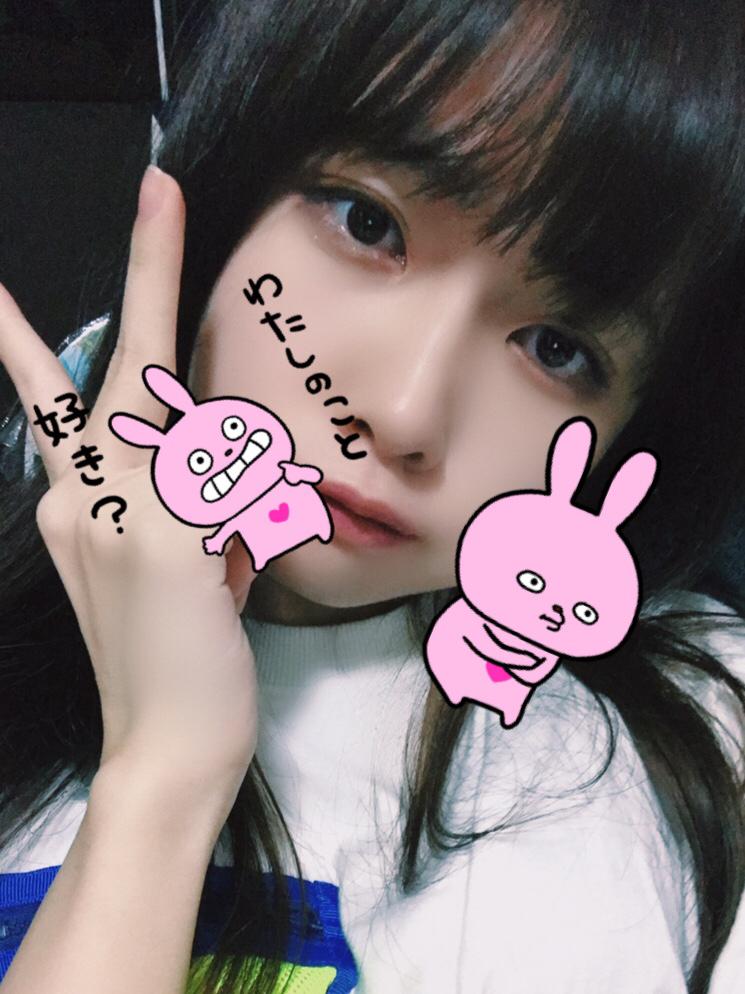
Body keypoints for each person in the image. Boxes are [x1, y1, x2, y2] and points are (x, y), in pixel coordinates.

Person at [1, 1, 744, 992]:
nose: (399, 415)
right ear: (226, 189)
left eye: (556, 349)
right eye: (368, 223)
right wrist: (160, 773)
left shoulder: (700, 744)